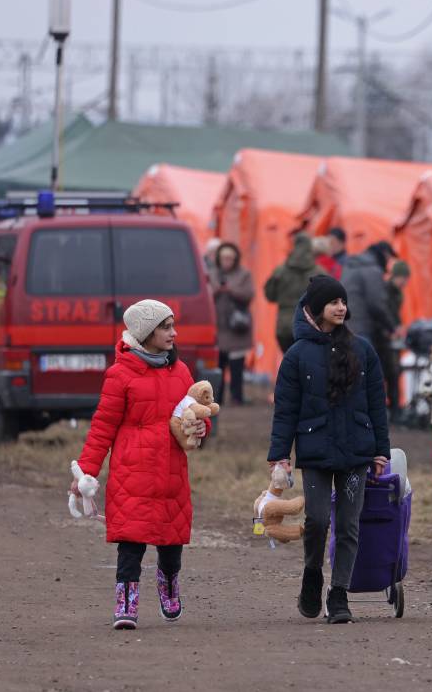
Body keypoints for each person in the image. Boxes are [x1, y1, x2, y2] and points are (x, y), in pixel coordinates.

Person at [72, 300, 210, 629]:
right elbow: (102, 426)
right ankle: (126, 603)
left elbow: (194, 415)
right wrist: (87, 471)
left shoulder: (182, 372)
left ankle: (169, 585)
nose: (173, 333)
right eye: (165, 327)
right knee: (131, 543)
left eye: (173, 326)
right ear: (146, 332)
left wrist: (202, 428)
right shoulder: (119, 375)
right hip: (132, 473)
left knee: (171, 542)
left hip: (170, 473)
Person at [267, 275, 390, 624]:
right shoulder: (296, 355)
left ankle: (339, 594)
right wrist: (280, 456)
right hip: (316, 450)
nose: (341, 307)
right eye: (333, 302)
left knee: (349, 525)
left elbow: (377, 405)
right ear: (315, 309)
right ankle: (312, 574)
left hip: (356, 452)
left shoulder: (362, 349)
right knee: (317, 520)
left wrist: (381, 450)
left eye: (343, 301)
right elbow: (285, 410)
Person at [264, 232, 324, 354]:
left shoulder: (280, 271)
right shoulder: (320, 272)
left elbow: (270, 295)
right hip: (311, 323)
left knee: (290, 362)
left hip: (285, 325)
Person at [209, 242, 254, 405]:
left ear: (235, 259)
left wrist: (231, 290)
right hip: (217, 325)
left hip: (237, 326)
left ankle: (237, 397)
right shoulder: (211, 273)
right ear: (219, 258)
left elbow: (249, 294)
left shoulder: (244, 274)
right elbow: (206, 293)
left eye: (230, 258)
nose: (227, 261)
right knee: (218, 363)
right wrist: (217, 290)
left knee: (237, 365)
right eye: (224, 258)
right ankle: (217, 397)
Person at [340, 240, 398, 345]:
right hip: (361, 330)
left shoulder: (350, 266)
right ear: (385, 254)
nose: (388, 264)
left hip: (344, 326)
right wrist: (391, 328)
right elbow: (376, 305)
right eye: (389, 259)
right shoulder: (372, 269)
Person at [381, 260, 410, 421]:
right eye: (403, 278)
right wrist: (391, 329)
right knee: (388, 372)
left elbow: (395, 314)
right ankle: (389, 408)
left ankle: (395, 409)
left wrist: (398, 327)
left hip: (393, 335)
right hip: (385, 336)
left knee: (394, 372)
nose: (405, 282)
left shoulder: (398, 292)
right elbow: (384, 312)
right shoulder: (385, 291)